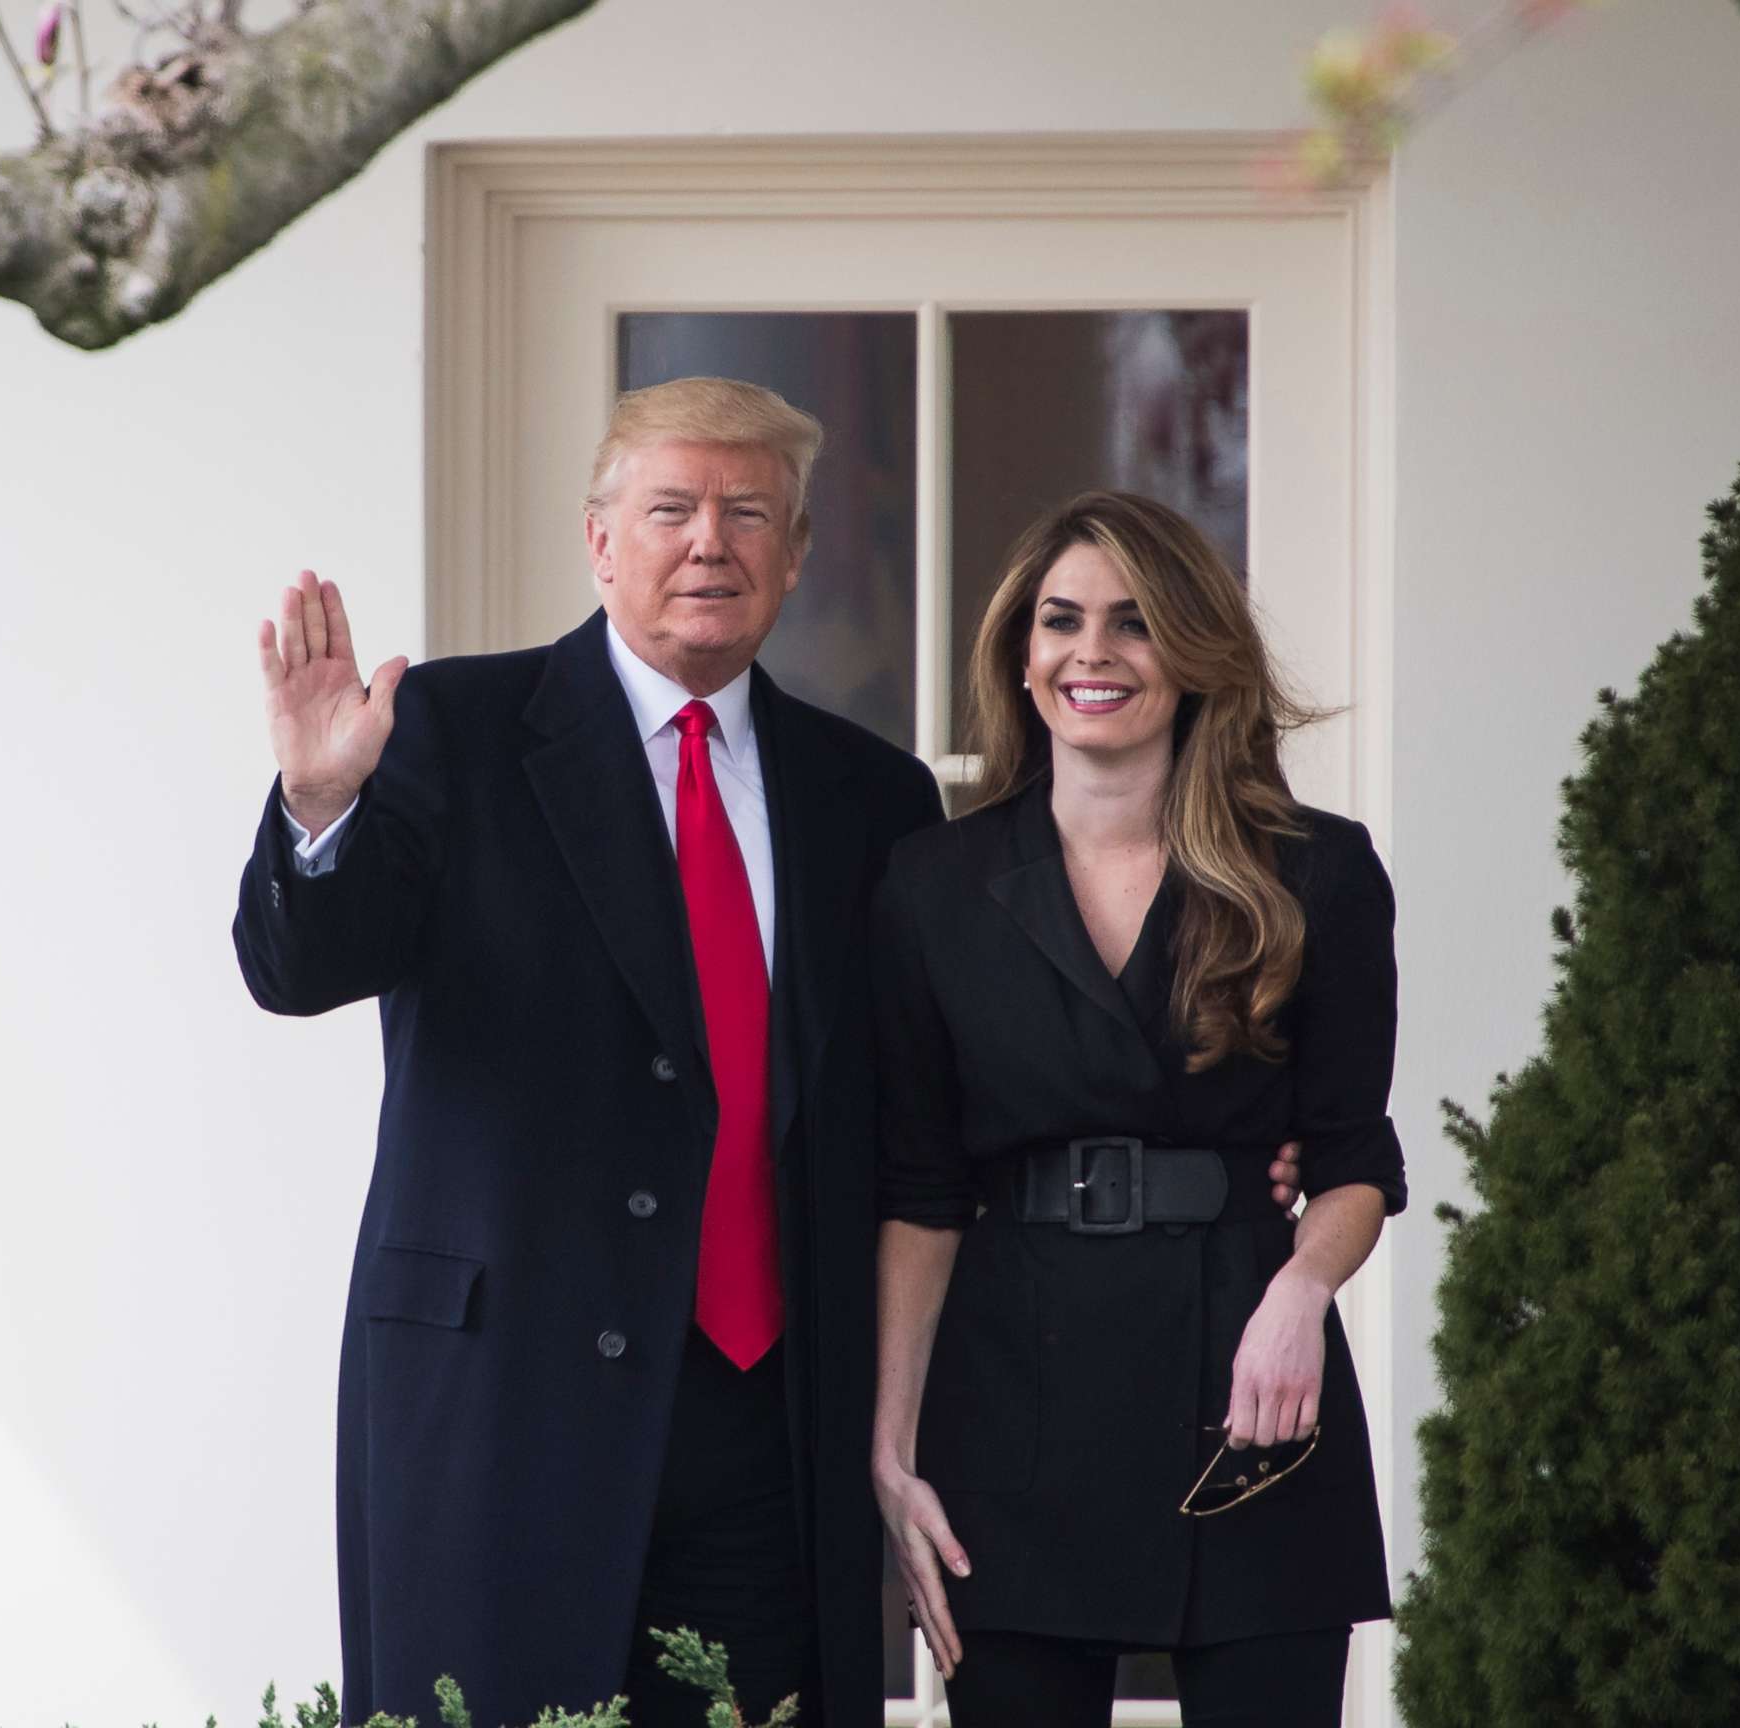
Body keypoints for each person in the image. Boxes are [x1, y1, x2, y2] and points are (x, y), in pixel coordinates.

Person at [233, 376, 952, 1728]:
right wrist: (321, 802)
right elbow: (302, 969)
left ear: (796, 556)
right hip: (507, 1396)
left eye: (751, 513)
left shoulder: (875, 798)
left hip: (768, 1422)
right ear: (599, 541)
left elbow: (915, 1099)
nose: (710, 541)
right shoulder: (454, 729)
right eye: (671, 507)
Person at [869, 490, 1402, 1727]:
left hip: (1249, 1393)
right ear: (1021, 650)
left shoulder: (1315, 870)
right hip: (1010, 1411)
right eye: (1061, 621)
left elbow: (1353, 1155)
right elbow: (921, 1189)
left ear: (1194, 653)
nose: (1091, 653)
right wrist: (891, 1456)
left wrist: (1300, 1295)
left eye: (1134, 623)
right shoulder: (931, 884)